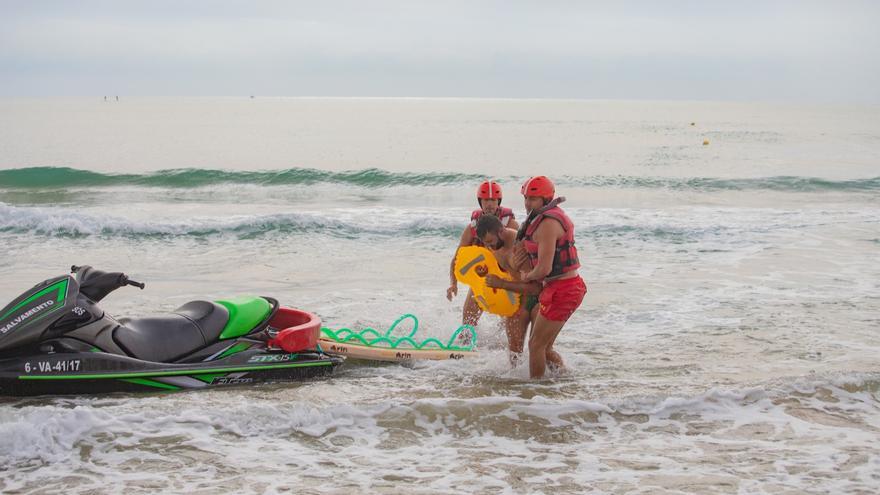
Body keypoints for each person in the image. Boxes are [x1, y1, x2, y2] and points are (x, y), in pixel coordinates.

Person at [501, 176, 586, 379]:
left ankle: (535, 394)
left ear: (546, 199)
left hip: (565, 289)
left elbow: (545, 268)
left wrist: (527, 275)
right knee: (545, 348)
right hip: (556, 288)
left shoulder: (548, 223)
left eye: (533, 199)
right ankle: (565, 379)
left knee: (535, 345)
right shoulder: (537, 221)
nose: (528, 203)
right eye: (526, 198)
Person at [446, 181, 518, 326]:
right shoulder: (472, 228)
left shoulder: (511, 226)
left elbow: (521, 259)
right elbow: (457, 259)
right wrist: (453, 284)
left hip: (508, 279)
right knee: (467, 321)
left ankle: (500, 348)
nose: (489, 204)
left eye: (493, 200)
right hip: (483, 279)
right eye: (486, 200)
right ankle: (465, 347)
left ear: (499, 201)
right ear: (480, 202)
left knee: (509, 323)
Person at [473, 214, 542, 364]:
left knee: (541, 350)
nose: (489, 247)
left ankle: (562, 379)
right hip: (518, 299)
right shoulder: (494, 246)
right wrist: (484, 271)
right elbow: (501, 270)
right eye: (486, 243)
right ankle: (518, 387)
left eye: (490, 242)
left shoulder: (520, 246)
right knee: (514, 355)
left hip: (539, 299)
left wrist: (502, 285)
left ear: (501, 231)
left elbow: (536, 288)